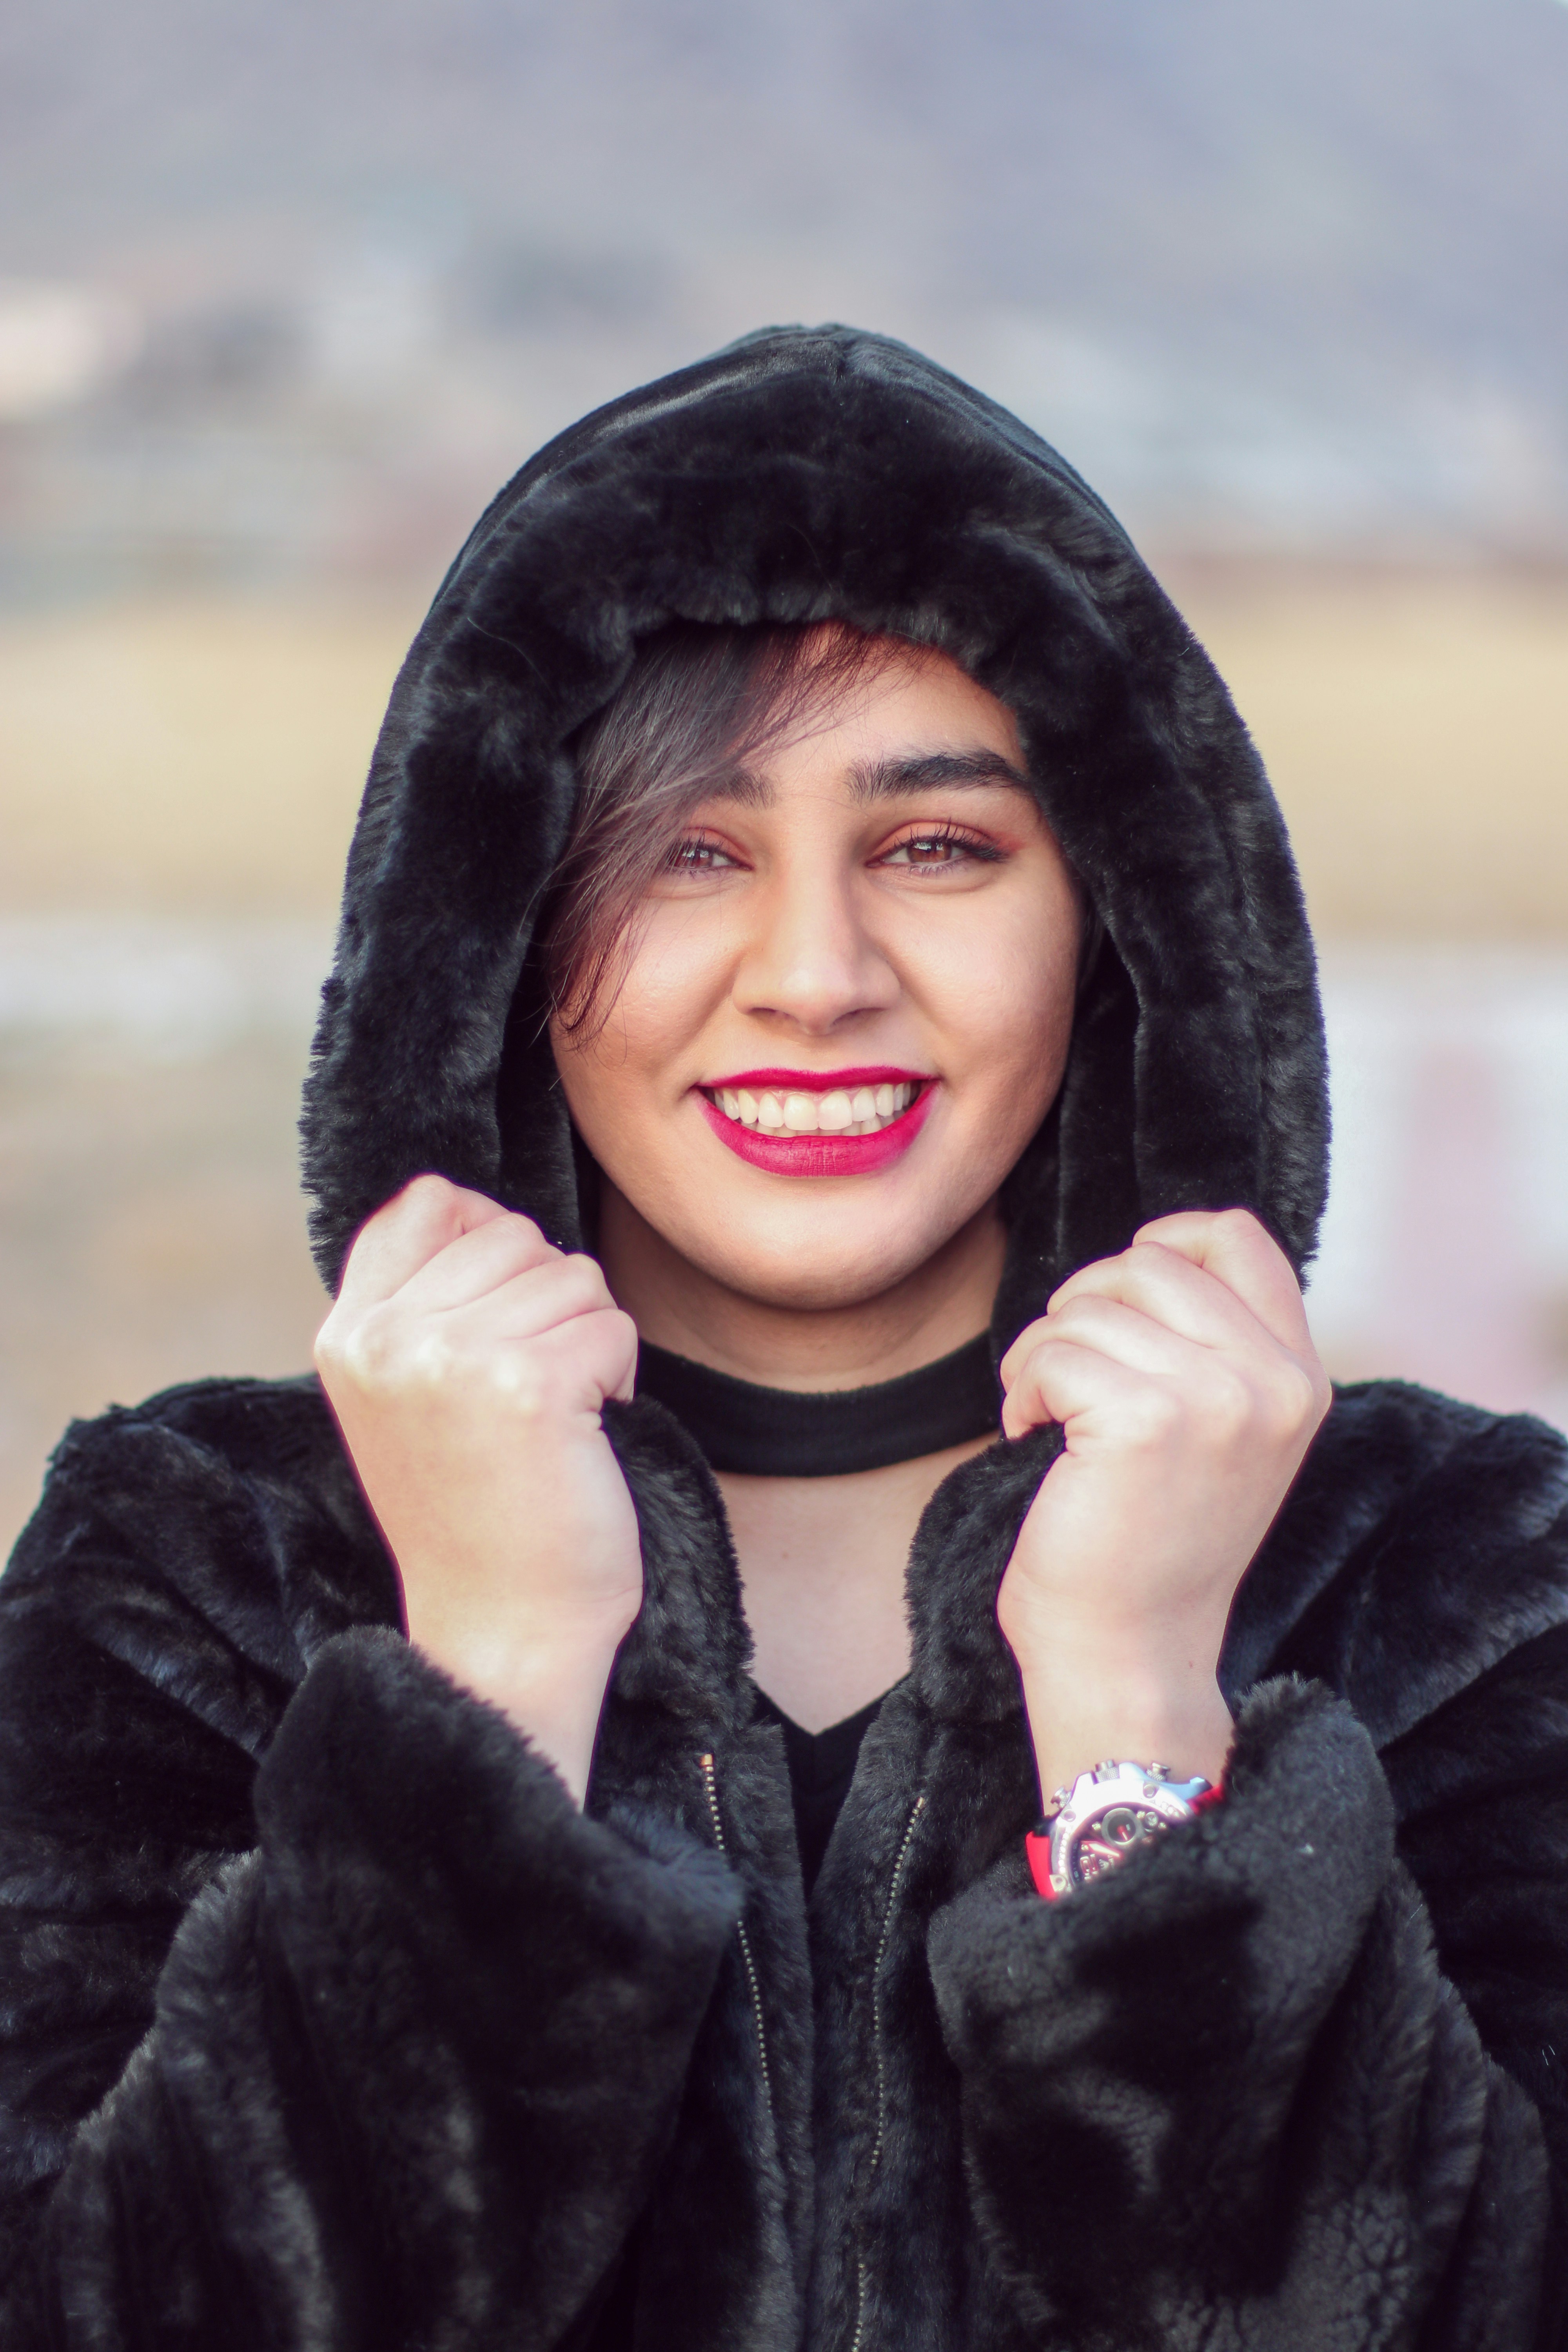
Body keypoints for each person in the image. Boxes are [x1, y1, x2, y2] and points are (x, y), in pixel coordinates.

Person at [1, 325, 1565, 2352]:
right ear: (495, 936)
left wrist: (1137, 1737)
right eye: (687, 853)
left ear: (1117, 914)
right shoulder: (188, 1572)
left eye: (937, 847)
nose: (815, 977)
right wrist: (482, 1689)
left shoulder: (1463, 1582)